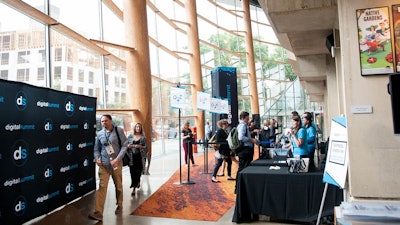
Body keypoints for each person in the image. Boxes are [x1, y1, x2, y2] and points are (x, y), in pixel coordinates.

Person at [88, 114, 128, 221]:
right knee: (102, 187)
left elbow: (125, 145)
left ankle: (119, 204)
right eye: (102, 121)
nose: (104, 123)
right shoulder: (100, 134)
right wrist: (97, 158)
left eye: (105, 121)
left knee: (118, 186)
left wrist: (118, 159)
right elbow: (96, 149)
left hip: (116, 164)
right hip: (104, 165)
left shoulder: (118, 131)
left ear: (110, 121)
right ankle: (98, 213)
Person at [235, 111, 259, 192]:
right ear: (244, 117)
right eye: (247, 117)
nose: (249, 119)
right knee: (243, 168)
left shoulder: (243, 126)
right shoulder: (242, 125)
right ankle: (239, 188)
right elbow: (241, 137)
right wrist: (251, 139)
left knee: (243, 167)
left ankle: (240, 187)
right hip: (245, 150)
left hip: (244, 150)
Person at [127, 122, 147, 196]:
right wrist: (134, 146)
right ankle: (134, 185)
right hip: (131, 157)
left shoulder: (143, 137)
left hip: (140, 157)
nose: (138, 128)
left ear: (141, 128)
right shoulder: (130, 136)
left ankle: (135, 187)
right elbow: (126, 144)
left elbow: (145, 147)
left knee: (138, 172)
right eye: (137, 127)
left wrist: (140, 147)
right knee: (132, 172)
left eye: (139, 127)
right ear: (135, 128)